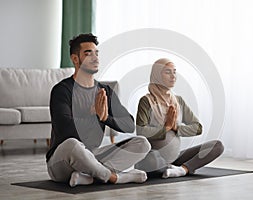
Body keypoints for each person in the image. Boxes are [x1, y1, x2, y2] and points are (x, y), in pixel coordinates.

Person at [46, 33, 151, 187]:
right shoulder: (62, 90)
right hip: (63, 161)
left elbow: (129, 125)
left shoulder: (104, 91)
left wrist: (105, 118)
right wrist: (94, 116)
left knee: (142, 143)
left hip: (93, 157)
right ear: (75, 59)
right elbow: (65, 129)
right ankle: (115, 177)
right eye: (88, 53)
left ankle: (88, 177)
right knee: (73, 144)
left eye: (97, 53)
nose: (95, 58)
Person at [135, 58, 224, 178]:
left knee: (217, 146)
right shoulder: (146, 101)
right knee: (153, 159)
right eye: (167, 72)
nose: (173, 76)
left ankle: (183, 169)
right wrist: (166, 127)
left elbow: (198, 128)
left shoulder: (178, 101)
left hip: (175, 158)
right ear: (156, 75)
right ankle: (166, 168)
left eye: (174, 72)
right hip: (153, 157)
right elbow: (141, 131)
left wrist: (176, 127)